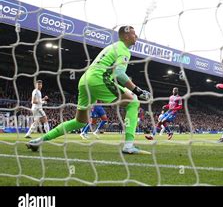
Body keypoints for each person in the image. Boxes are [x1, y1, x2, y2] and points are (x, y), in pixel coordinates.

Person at [27, 26, 152, 155]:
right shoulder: (123, 50)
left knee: (80, 121)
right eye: (134, 34)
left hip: (85, 80)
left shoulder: (112, 46)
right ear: (126, 36)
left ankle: (39, 140)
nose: (136, 36)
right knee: (134, 102)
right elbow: (119, 74)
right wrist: (138, 91)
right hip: (98, 79)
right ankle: (129, 145)